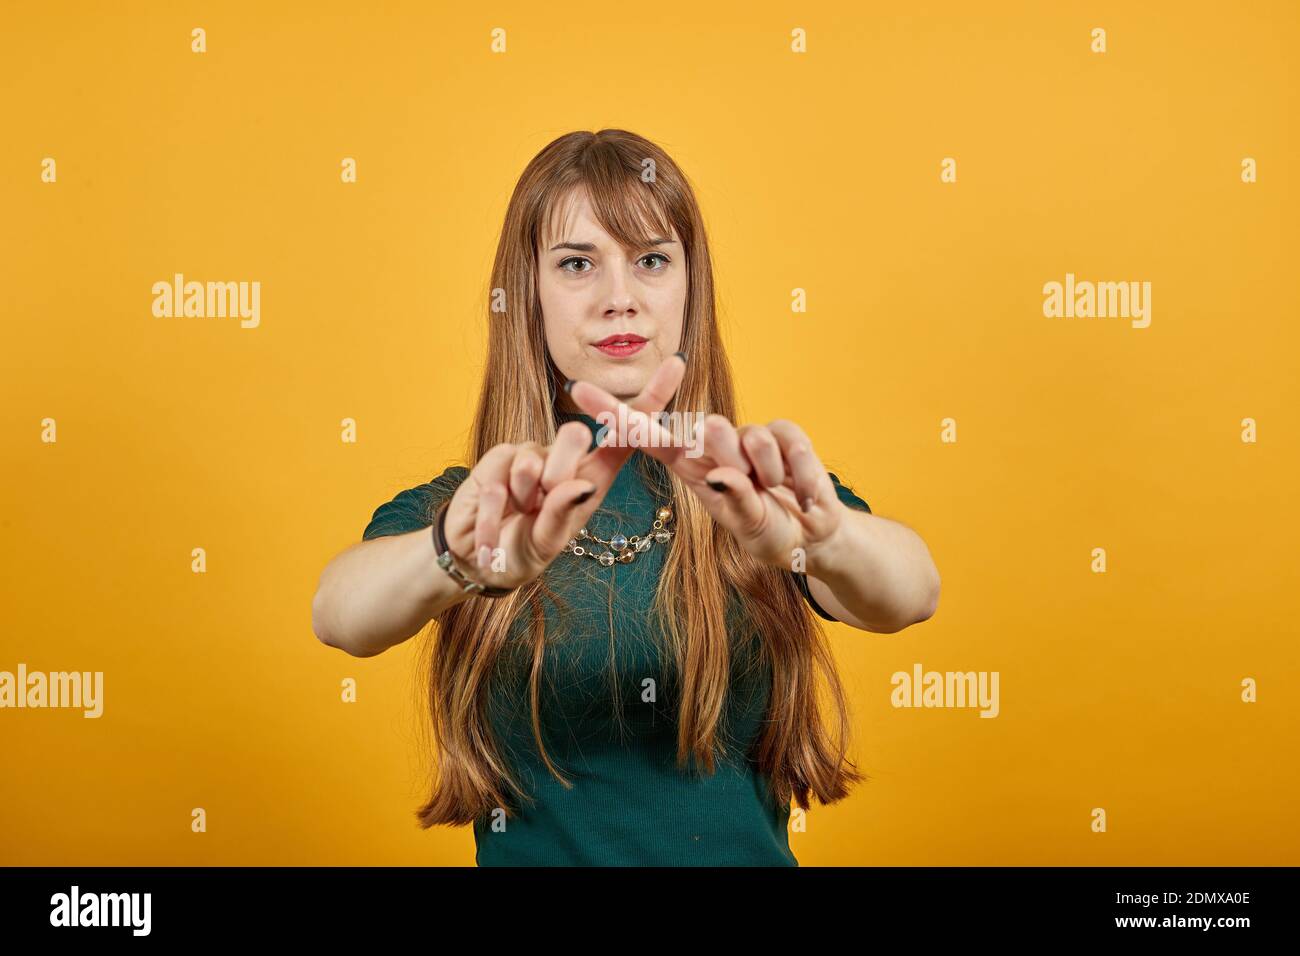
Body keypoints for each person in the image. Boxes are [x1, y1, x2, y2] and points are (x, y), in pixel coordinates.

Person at [311, 129, 940, 866]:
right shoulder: (477, 507)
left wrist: (823, 539)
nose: (620, 299)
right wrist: (457, 556)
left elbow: (912, 592)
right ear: (527, 295)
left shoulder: (752, 492)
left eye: (650, 261)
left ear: (688, 287)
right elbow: (341, 614)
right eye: (578, 264)